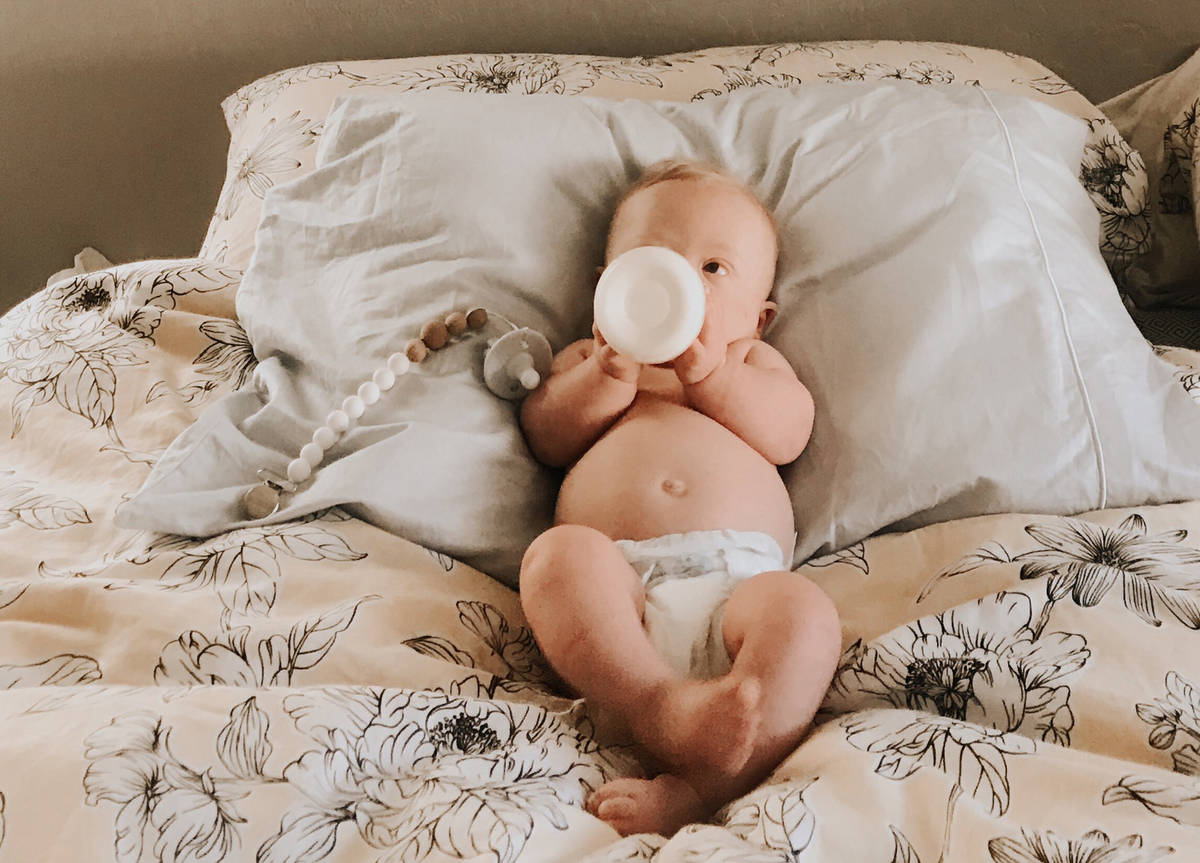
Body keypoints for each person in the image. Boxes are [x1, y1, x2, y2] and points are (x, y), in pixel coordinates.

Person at [518, 159, 842, 836]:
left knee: (806, 615)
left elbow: (789, 431)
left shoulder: (751, 359)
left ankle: (707, 782)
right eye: (652, 260)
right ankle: (656, 701)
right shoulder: (590, 357)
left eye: (713, 269)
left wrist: (714, 378)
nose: (680, 282)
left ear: (760, 314)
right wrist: (605, 378)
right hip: (619, 592)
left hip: (740, 587)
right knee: (555, 560)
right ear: (608, 286)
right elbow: (546, 433)